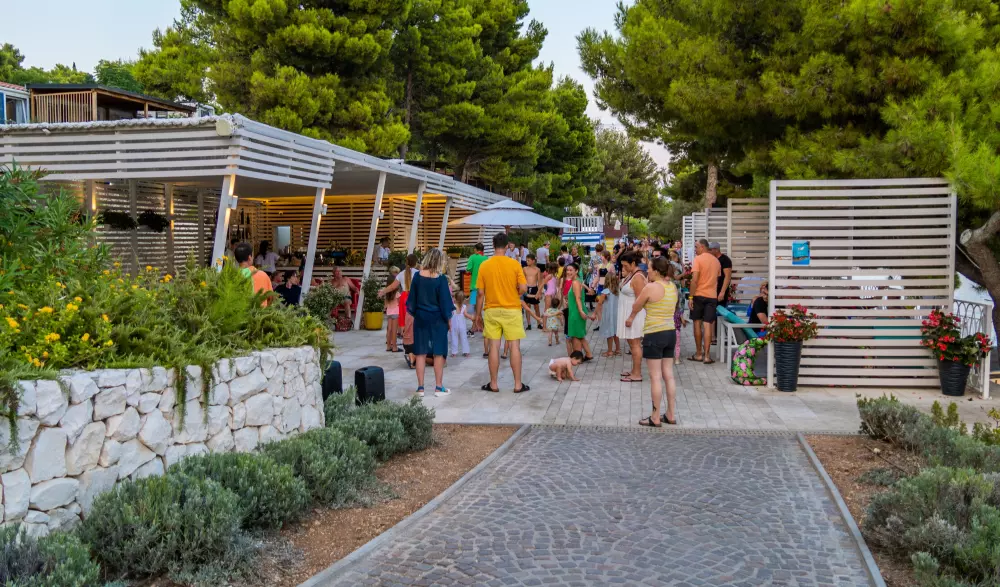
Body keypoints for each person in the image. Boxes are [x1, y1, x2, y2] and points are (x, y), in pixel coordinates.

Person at [626, 257, 679, 427]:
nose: (647, 271)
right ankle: (671, 414)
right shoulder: (672, 287)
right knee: (668, 374)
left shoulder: (651, 287)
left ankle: (655, 416)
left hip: (654, 333)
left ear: (656, 270)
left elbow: (636, 305)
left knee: (655, 377)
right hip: (670, 332)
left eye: (649, 268)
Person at [474, 232, 529, 394]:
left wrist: (477, 315)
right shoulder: (515, 264)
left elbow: (480, 293)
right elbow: (523, 288)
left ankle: (494, 384)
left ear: (493, 245)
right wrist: (515, 293)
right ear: (506, 246)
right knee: (514, 347)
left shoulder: (485, 265)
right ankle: (517, 384)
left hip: (491, 310)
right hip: (512, 309)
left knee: (493, 347)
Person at [407, 248, 454, 398]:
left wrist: (418, 314)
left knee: (420, 352)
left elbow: (411, 301)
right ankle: (438, 388)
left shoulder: (417, 277)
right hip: (438, 319)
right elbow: (445, 303)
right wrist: (449, 320)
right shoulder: (441, 279)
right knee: (438, 352)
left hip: (421, 317)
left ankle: (420, 388)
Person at [689, 239, 722, 364]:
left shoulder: (698, 259)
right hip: (712, 296)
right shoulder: (716, 261)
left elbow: (694, 280)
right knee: (708, 324)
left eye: (696, 247)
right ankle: (707, 356)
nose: (695, 249)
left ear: (702, 247)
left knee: (697, 323)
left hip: (698, 295)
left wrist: (690, 297)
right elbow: (716, 278)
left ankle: (699, 354)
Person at [617, 252, 647, 382]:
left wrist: (631, 317)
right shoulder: (631, 274)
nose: (623, 268)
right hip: (629, 313)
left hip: (634, 315)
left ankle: (637, 374)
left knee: (635, 345)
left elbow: (640, 300)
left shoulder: (638, 277)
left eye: (625, 265)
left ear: (633, 263)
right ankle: (634, 370)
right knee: (632, 344)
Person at [379, 254, 418, 332]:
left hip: (404, 296)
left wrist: (383, 291)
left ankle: (404, 336)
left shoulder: (401, 274)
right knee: (415, 319)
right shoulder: (418, 273)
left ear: (406, 262)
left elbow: (392, 287)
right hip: (415, 297)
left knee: (403, 319)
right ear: (416, 263)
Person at [564, 263, 595, 361]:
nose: (568, 272)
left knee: (575, 335)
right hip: (575, 310)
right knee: (580, 334)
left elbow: (578, 298)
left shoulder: (575, 283)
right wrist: (589, 289)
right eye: (567, 270)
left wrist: (581, 311)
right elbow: (581, 287)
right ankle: (588, 354)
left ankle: (577, 358)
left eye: (571, 270)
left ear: (576, 271)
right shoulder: (578, 280)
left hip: (576, 312)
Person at [465, 243, 489, 356]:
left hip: (475, 286)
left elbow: (468, 269)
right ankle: (479, 327)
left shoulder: (473, 257)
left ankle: (474, 328)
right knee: (479, 308)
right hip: (485, 287)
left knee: (474, 309)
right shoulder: (486, 258)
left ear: (475, 249)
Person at [234, 242, 273, 307]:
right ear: (249, 257)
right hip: (261, 312)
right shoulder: (263, 275)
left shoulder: (233, 276)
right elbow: (271, 297)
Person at [596, 272, 621, 357]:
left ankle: (609, 351)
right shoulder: (617, 291)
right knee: (615, 332)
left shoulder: (605, 291)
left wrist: (595, 313)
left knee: (609, 332)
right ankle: (618, 349)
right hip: (616, 315)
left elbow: (599, 303)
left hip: (608, 314)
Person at [710, 242, 733, 308]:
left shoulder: (725, 260)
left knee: (720, 309)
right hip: (713, 290)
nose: (709, 251)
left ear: (716, 250)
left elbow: (727, 276)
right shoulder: (713, 260)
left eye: (711, 249)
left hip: (720, 289)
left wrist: (722, 292)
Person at [449, 291, 472, 357]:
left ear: (455, 299)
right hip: (462, 326)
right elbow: (466, 315)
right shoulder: (464, 307)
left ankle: (454, 353)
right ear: (463, 300)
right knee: (464, 338)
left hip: (454, 326)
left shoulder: (453, 306)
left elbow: (450, 316)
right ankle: (466, 352)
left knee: (454, 339)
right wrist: (472, 317)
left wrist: (449, 325)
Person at [522, 254, 542, 330]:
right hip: (527, 288)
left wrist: (539, 292)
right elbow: (522, 280)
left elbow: (539, 282)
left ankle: (539, 323)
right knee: (527, 306)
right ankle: (529, 324)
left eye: (528, 260)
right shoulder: (524, 269)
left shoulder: (537, 269)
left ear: (533, 261)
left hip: (534, 288)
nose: (527, 262)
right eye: (526, 260)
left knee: (536, 307)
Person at [384, 275, 400, 353]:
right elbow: (399, 303)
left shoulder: (386, 294)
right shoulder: (397, 293)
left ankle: (388, 346)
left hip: (389, 313)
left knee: (389, 329)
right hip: (396, 313)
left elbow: (385, 305)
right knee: (394, 330)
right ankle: (394, 347)